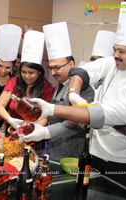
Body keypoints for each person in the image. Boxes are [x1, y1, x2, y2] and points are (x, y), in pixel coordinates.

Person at [26, 2, 126, 188]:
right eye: (114, 49)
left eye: (122, 51)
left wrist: (50, 113)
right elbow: (80, 73)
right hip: (95, 153)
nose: (115, 55)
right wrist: (73, 93)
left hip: (124, 159)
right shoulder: (110, 64)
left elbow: (104, 116)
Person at [41, 21, 95, 161]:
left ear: (71, 64)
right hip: (54, 149)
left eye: (57, 67)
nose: (53, 72)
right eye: (51, 68)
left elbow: (78, 122)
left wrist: (45, 132)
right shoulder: (59, 85)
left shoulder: (84, 89)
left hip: (70, 153)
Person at [0, 30, 54, 137]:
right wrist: (10, 120)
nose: (27, 76)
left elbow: (45, 117)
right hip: (12, 134)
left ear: (39, 72)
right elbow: (0, 105)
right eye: (23, 72)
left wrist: (32, 129)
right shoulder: (14, 82)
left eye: (31, 73)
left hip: (34, 135)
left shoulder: (47, 88)